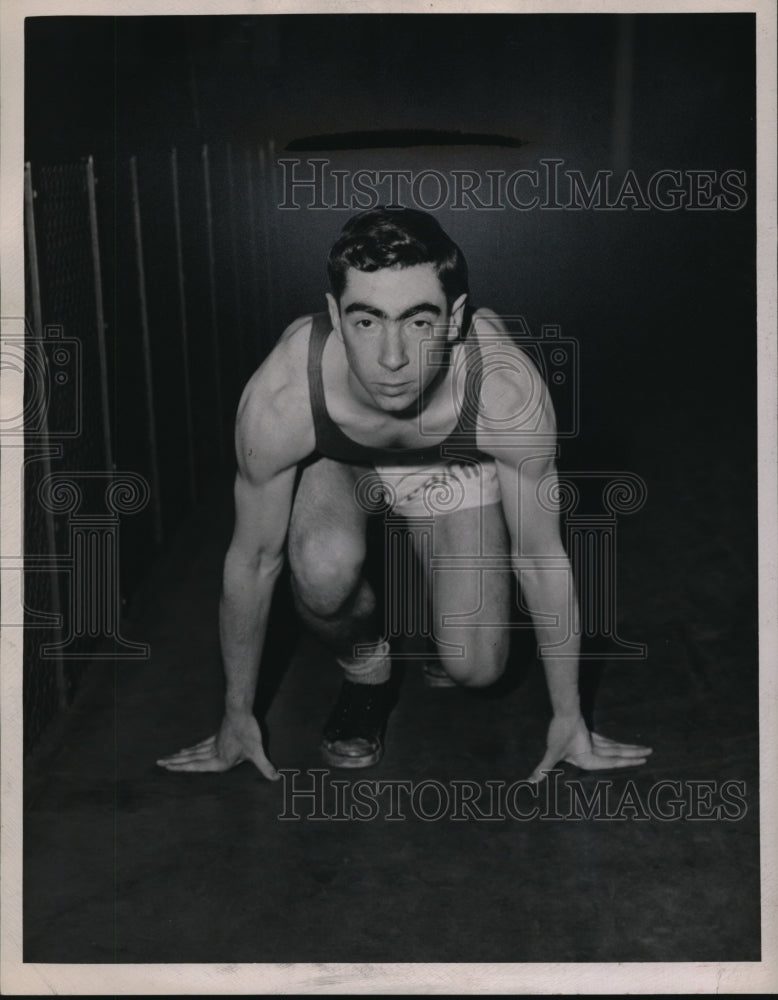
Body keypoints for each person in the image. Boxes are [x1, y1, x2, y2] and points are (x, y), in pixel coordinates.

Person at [157, 207, 651, 782]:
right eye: (367, 321)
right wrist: (235, 716)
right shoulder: (285, 397)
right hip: (346, 462)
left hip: (453, 460)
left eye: (419, 322)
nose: (392, 358)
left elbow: (542, 556)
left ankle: (444, 602)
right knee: (321, 568)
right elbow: (252, 560)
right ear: (335, 316)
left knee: (478, 668)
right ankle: (366, 668)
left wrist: (570, 716)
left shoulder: (504, 394)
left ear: (454, 316)